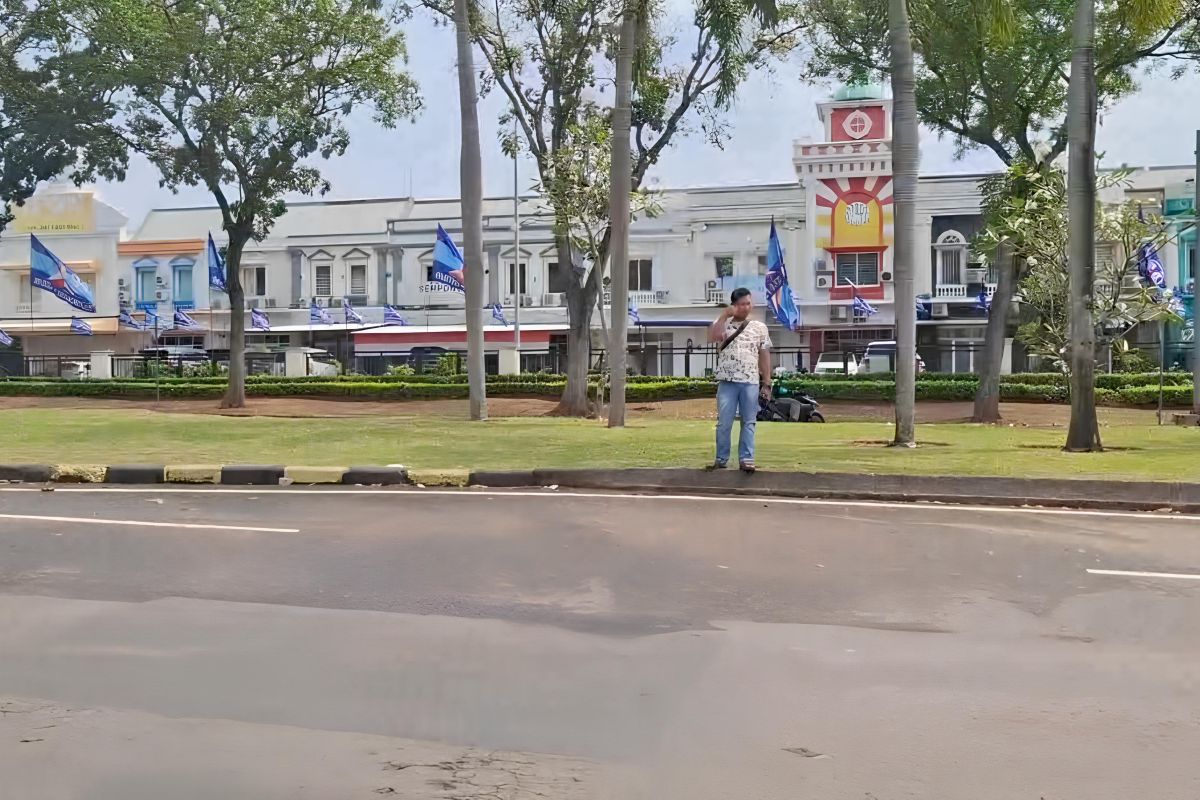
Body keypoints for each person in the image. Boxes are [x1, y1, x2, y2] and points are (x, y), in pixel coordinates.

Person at [708, 287, 772, 472]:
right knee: (724, 423)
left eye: (748, 303)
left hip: (750, 381)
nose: (745, 308)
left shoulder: (759, 327)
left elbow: (764, 354)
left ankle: (747, 458)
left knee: (749, 421)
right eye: (741, 304)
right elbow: (713, 337)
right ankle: (721, 458)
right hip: (727, 381)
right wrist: (723, 316)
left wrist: (766, 382)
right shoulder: (723, 324)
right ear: (734, 305)